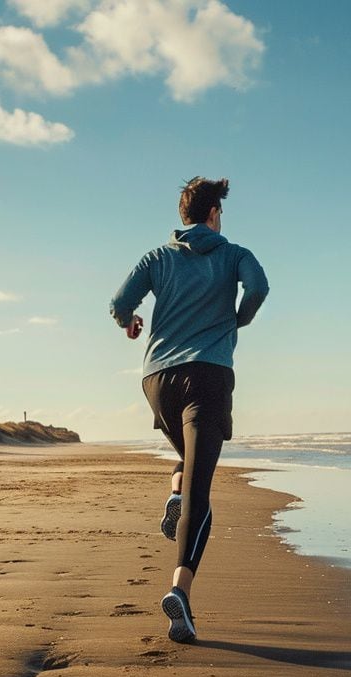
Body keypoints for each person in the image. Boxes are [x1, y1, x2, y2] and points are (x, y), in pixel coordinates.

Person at [109, 177, 269, 643]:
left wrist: (131, 321)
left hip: (157, 380)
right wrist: (238, 318)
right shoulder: (235, 254)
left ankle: (176, 489)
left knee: (190, 465)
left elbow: (120, 303)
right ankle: (180, 590)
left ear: (184, 216)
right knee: (204, 492)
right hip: (209, 375)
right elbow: (258, 289)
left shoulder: (157, 257)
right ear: (215, 213)